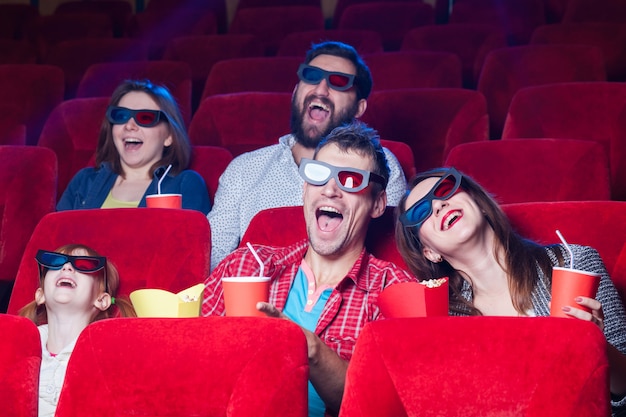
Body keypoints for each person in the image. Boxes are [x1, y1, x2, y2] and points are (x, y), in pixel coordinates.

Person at [203, 122, 416, 417]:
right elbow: (190, 365)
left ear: (378, 203)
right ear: (304, 189)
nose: (330, 190)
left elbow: (388, 407)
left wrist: (308, 348)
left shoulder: (395, 291)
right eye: (319, 175)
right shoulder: (245, 266)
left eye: (351, 180)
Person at [395, 166, 626, 416]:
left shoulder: (575, 262)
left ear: (478, 203)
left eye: (445, 190)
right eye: (421, 211)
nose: (438, 205)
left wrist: (596, 344)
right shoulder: (441, 321)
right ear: (430, 252)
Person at [207, 41, 407, 270]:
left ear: (359, 108)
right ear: (295, 91)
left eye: (339, 82)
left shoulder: (381, 164)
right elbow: (215, 252)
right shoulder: (244, 168)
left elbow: (390, 254)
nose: (321, 90)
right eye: (311, 76)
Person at [57, 79, 211, 214]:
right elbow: (53, 242)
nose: (130, 125)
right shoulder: (84, 181)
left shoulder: (185, 184)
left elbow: (193, 245)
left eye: (145, 117)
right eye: (121, 116)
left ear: (169, 136)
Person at [18, 243, 136, 417]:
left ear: (101, 300)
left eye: (84, 265)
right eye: (55, 262)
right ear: (40, 295)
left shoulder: (105, 354)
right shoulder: (19, 345)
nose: (66, 267)